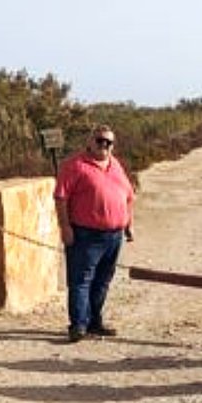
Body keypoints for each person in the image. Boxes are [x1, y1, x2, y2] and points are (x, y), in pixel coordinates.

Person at [54, 124, 135, 343]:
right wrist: (65, 227)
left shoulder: (115, 165)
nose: (104, 146)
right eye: (100, 140)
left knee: (102, 281)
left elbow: (128, 195)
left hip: (114, 235)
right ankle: (78, 325)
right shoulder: (75, 166)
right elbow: (61, 198)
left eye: (109, 142)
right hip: (85, 234)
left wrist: (129, 223)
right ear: (89, 142)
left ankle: (94, 322)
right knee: (81, 281)